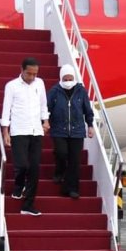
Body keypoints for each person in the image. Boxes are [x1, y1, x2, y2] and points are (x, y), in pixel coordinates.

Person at [1, 57, 50, 216]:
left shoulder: (40, 83)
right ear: (21, 70)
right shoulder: (12, 86)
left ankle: (28, 205)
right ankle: (18, 185)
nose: (32, 77)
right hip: (19, 130)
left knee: (35, 169)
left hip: (36, 130)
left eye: (35, 74)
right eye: (29, 73)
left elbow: (43, 104)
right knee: (22, 165)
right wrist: (5, 131)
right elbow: (6, 108)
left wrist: (46, 121)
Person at [47, 65, 94, 199]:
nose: (68, 81)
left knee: (74, 160)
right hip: (59, 130)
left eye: (70, 79)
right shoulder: (55, 91)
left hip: (77, 131)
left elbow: (87, 110)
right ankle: (59, 171)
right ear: (61, 78)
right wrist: (45, 122)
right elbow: (47, 108)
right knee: (61, 153)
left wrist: (90, 125)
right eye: (65, 79)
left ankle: (72, 188)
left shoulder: (81, 91)